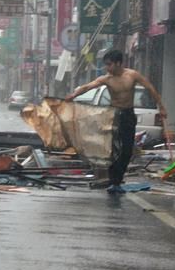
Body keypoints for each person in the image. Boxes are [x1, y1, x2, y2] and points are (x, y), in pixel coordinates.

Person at [65, 49, 167, 194]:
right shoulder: (107, 79)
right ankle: (114, 181)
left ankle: (118, 180)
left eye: (109, 64)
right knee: (113, 150)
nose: (107, 68)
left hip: (128, 115)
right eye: (106, 65)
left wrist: (161, 107)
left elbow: (150, 88)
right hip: (114, 115)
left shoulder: (132, 75)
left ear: (119, 63)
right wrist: (73, 95)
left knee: (126, 150)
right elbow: (88, 86)